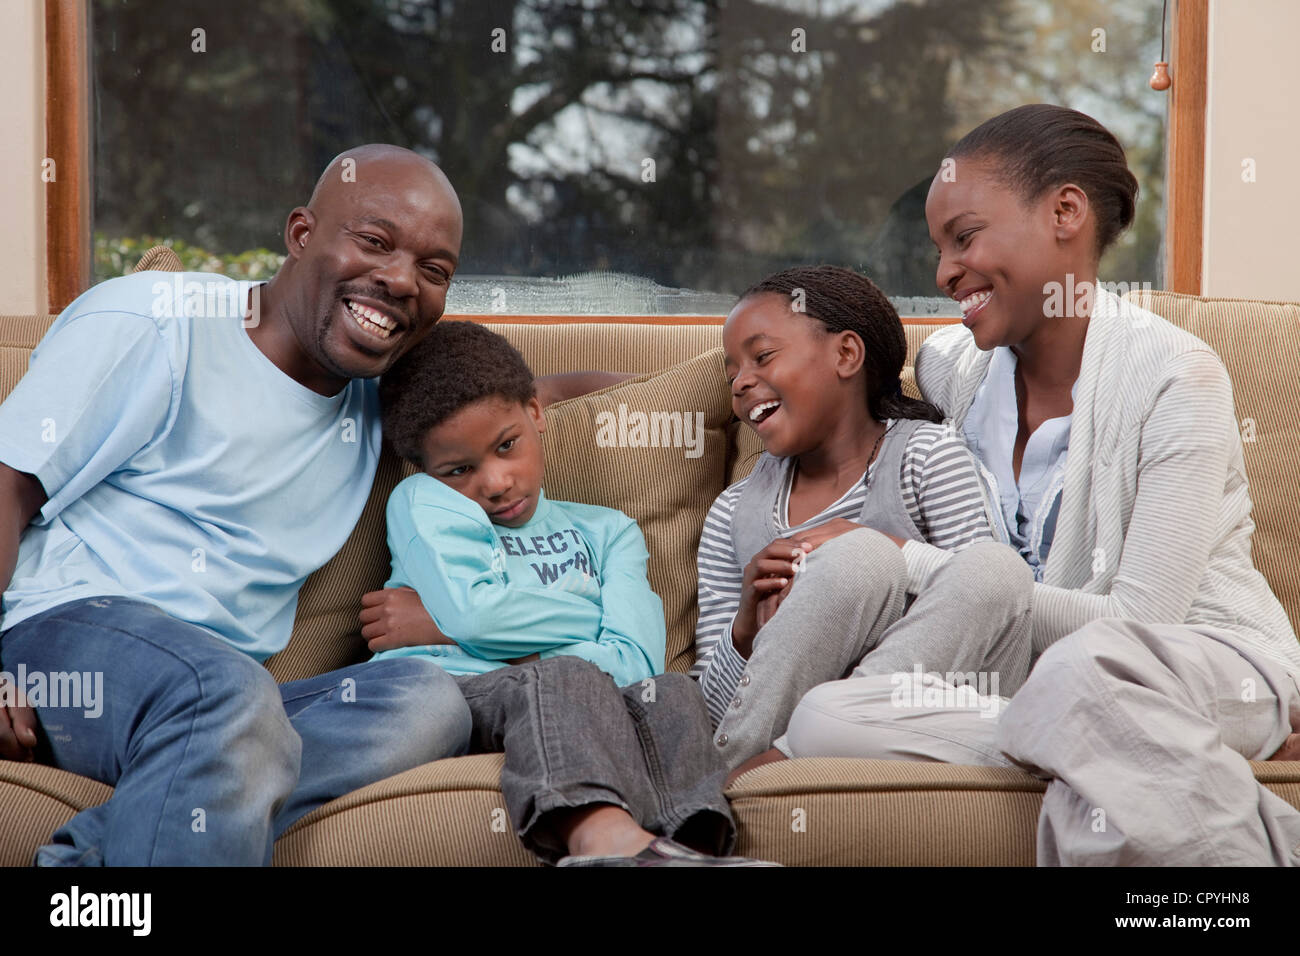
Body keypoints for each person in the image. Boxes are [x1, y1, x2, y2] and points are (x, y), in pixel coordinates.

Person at [0, 144, 606, 866]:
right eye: (375, 242)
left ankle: (94, 866)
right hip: (67, 640)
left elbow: (522, 394)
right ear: (300, 234)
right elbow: (8, 484)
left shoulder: (379, 401)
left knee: (430, 700)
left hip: (228, 703)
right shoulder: (155, 321)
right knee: (225, 693)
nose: (399, 280)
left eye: (433, 270)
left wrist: (725, 389)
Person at [782, 104, 1300, 866]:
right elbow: (829, 385)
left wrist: (904, 557)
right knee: (828, 717)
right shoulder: (949, 369)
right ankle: (1119, 751)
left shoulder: (1176, 376)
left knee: (1086, 674)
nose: (944, 271)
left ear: (1065, 212)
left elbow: (1132, 621)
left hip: (1193, 662)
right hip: (1028, 688)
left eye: (965, 237)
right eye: (938, 249)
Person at [361, 320, 767, 866]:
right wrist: (589, 618)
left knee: (670, 692)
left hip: (573, 692)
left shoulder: (608, 530)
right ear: (427, 473)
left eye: (507, 446)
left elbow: (635, 662)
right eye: (459, 469)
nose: (496, 481)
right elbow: (479, 618)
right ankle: (601, 847)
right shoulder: (422, 502)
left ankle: (688, 849)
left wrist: (441, 623)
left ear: (535, 413)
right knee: (565, 677)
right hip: (459, 691)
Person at [691, 264, 1035, 776]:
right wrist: (744, 632)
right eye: (732, 372)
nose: (741, 382)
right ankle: (762, 759)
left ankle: (803, 745)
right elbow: (708, 707)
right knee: (858, 560)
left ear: (846, 354)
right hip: (753, 738)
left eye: (762, 356)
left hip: (927, 722)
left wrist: (887, 548)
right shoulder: (734, 514)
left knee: (995, 569)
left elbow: (990, 608)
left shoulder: (926, 456)